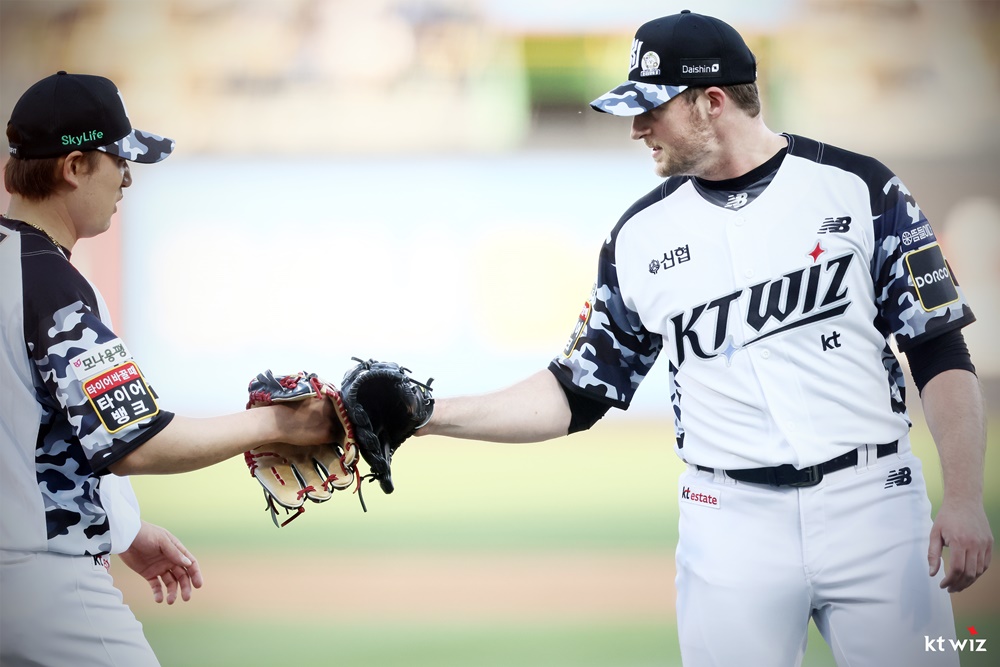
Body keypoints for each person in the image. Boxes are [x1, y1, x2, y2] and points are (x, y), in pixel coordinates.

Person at [415, 11, 992, 667]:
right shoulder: (637, 237)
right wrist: (430, 415)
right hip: (729, 523)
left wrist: (966, 497)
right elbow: (576, 391)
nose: (636, 128)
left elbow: (940, 349)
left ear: (712, 102)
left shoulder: (863, 189)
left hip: (877, 510)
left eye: (651, 108)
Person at [0, 72, 342, 666]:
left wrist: (124, 530)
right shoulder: (52, 288)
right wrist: (280, 426)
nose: (128, 177)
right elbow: (139, 441)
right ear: (74, 166)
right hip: (40, 583)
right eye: (119, 159)